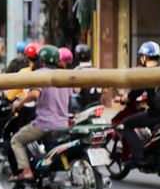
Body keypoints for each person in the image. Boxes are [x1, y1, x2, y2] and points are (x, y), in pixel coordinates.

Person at [9, 45, 72, 181]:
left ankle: (26, 171)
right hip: (62, 123)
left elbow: (35, 94)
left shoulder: (39, 73)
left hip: (45, 123)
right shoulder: (63, 74)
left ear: (41, 60)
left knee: (16, 140)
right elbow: (69, 97)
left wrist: (19, 103)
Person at [118, 42, 160, 169]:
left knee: (126, 124)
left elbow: (134, 93)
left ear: (145, 57)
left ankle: (137, 157)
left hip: (157, 115)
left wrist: (123, 99)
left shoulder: (147, 74)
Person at [71, 43, 103, 112]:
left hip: (83, 104)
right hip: (97, 102)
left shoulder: (77, 70)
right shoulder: (97, 69)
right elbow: (105, 90)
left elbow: (77, 90)